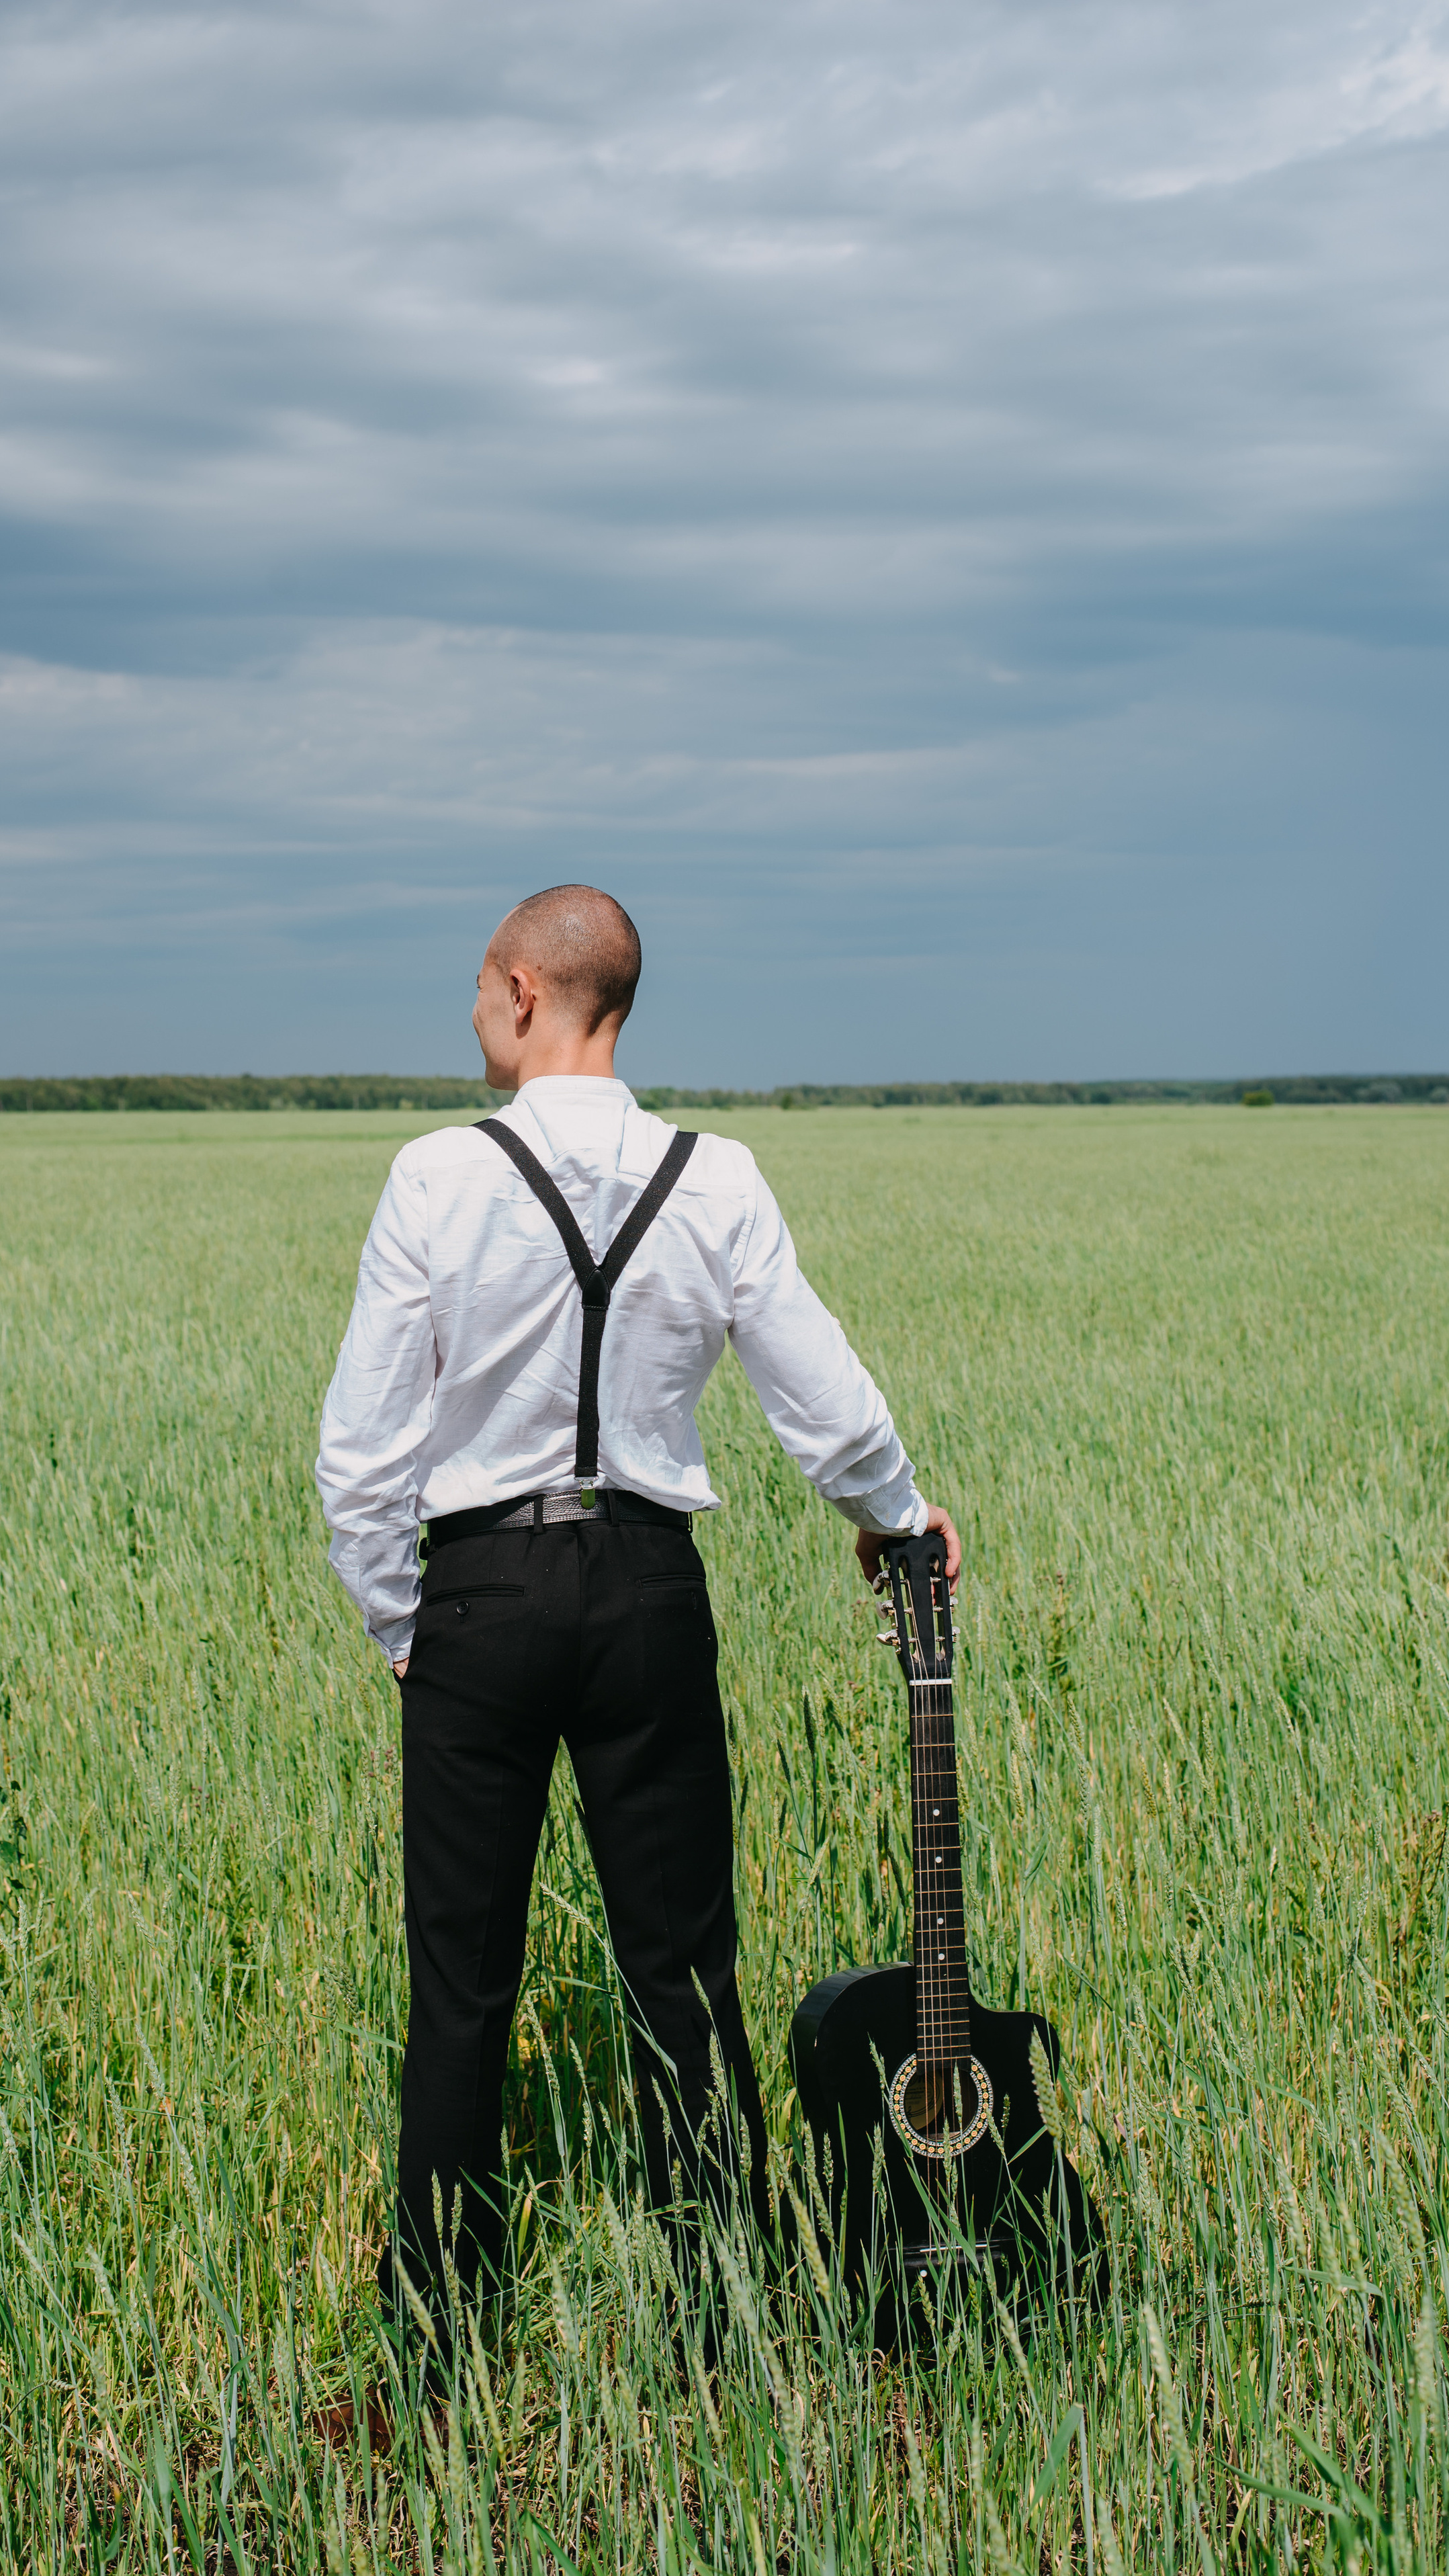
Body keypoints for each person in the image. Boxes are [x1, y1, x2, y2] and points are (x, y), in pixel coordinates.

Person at [315, 885, 959, 2339]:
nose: (472, 1011)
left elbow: (361, 1455)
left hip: (478, 1590)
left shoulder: (433, 1176)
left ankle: (440, 2329)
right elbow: (819, 1392)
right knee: (683, 1969)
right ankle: (719, 2308)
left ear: (529, 994)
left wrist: (404, 1626)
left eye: (481, 987)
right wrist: (895, 1516)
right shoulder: (714, 1175)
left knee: (459, 1980)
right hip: (650, 1590)